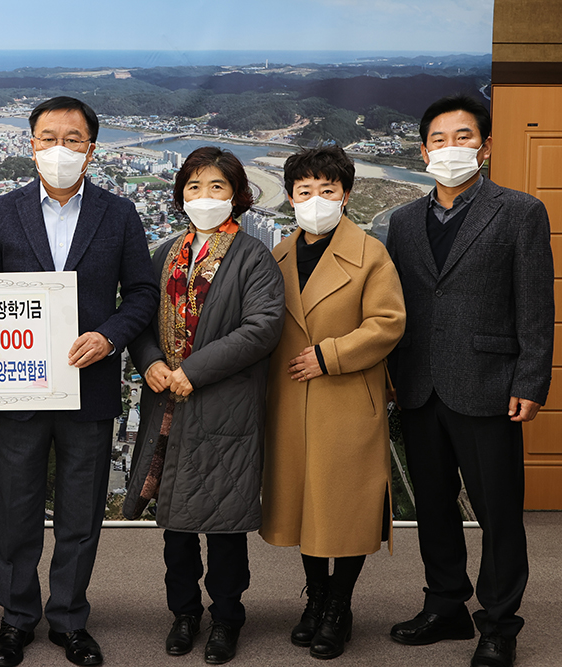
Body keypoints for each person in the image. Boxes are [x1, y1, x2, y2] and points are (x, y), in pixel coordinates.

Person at [0, 96, 159, 667]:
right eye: (47, 137)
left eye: (72, 139)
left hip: (92, 385)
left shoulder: (119, 213)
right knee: (16, 509)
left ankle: (70, 619)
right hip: (21, 386)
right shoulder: (2, 212)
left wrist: (109, 336)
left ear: (91, 149)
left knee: (81, 513)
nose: (59, 148)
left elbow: (143, 295)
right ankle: (15, 618)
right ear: (30, 144)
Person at [386, 95, 554, 667]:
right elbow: (399, 307)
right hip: (417, 384)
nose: (449, 148)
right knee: (433, 506)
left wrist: (531, 381)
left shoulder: (520, 212)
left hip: (489, 383)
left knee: (498, 510)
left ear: (485, 147)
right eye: (438, 138)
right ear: (424, 149)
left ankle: (500, 624)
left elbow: (535, 305)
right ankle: (445, 604)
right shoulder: (404, 221)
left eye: (462, 137)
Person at [122, 146, 285, 665]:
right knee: (176, 524)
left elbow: (262, 328)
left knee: (224, 520)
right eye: (194, 187)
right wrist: (149, 361)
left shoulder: (253, 256)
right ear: (180, 196)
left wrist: (193, 370)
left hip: (224, 406)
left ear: (237, 196)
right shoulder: (166, 252)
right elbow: (141, 315)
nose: (205, 197)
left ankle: (228, 617)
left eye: (217, 187)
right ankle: (184, 613)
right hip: (167, 403)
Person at [259, 146, 406, 660]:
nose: (315, 200)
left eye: (327, 190)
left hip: (345, 397)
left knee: (342, 506)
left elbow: (388, 323)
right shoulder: (276, 254)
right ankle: (315, 597)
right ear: (290, 196)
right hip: (289, 400)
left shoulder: (371, 253)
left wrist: (330, 355)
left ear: (346, 194)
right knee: (304, 505)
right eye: (304, 191)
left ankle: (339, 605)